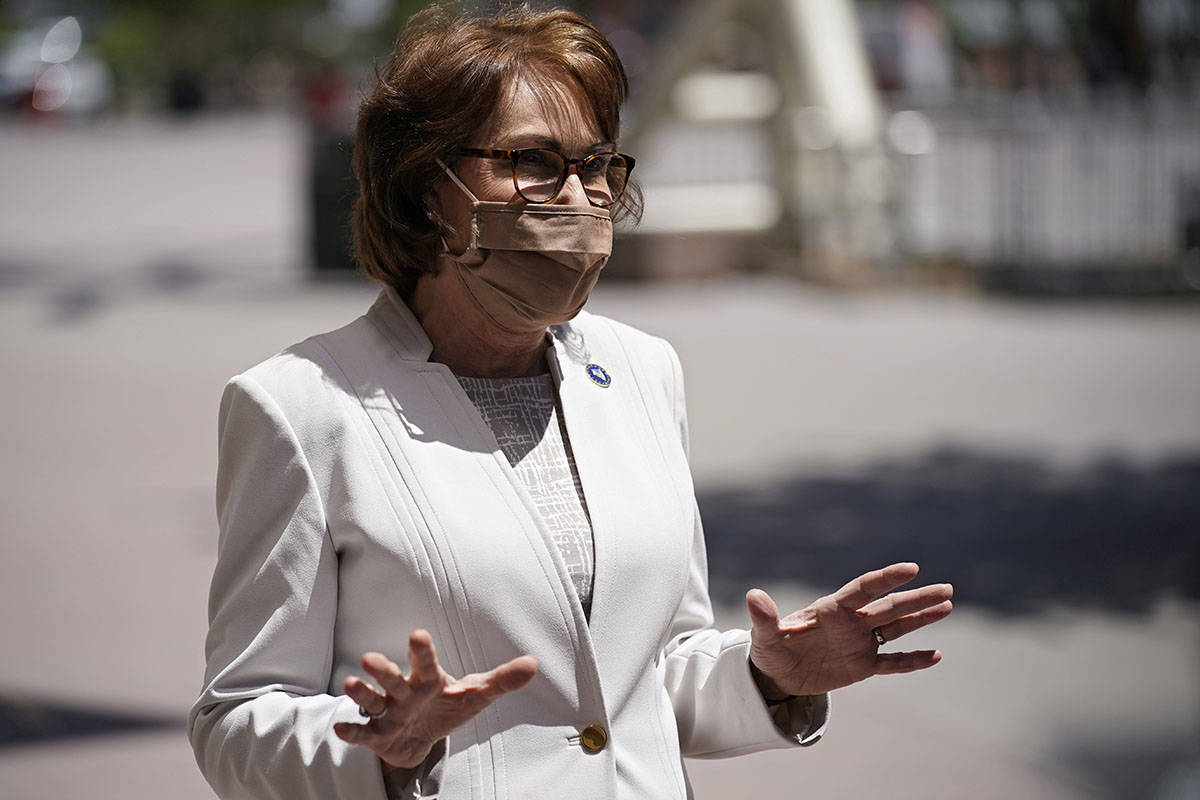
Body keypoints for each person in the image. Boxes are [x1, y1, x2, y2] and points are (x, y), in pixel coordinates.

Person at [187, 5, 954, 799]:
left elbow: (647, 679)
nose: (581, 199)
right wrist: (382, 749)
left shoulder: (641, 369)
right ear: (425, 188)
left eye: (596, 166)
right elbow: (236, 720)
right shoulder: (301, 407)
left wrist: (768, 675)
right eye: (535, 161)